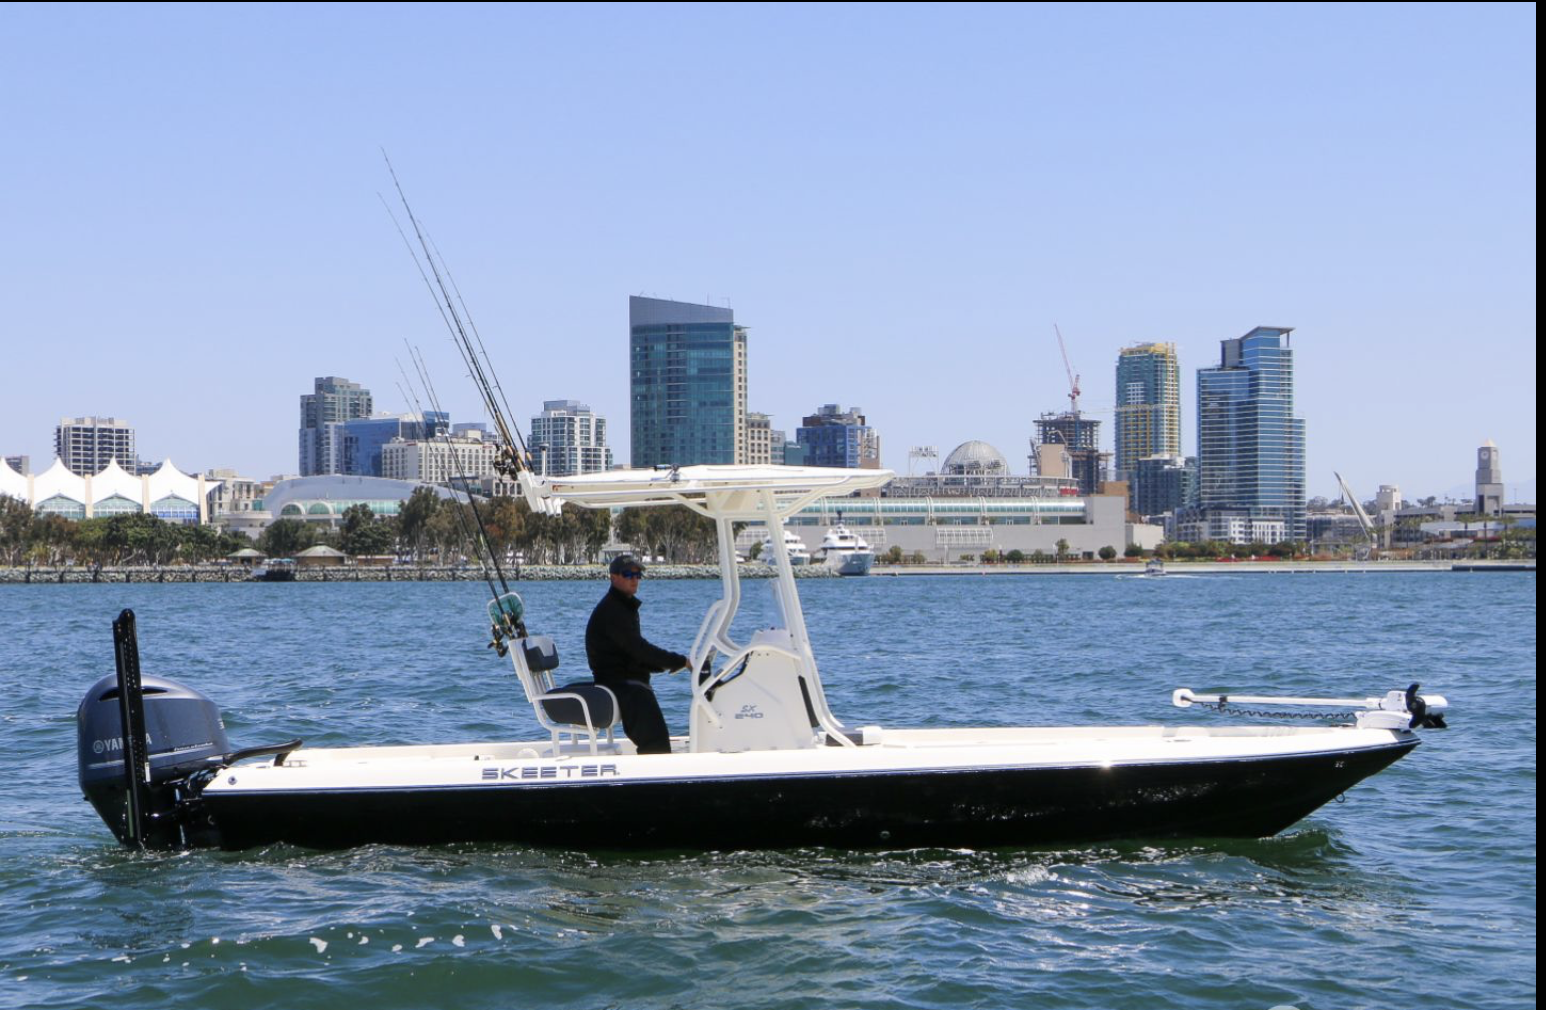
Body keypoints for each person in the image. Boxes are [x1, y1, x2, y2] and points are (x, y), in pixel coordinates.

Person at [584, 555, 689, 755]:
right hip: (619, 684)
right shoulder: (613, 611)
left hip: (627, 681)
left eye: (637, 574)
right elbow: (638, 649)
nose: (634, 579)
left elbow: (634, 653)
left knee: (656, 735)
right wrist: (678, 661)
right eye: (628, 574)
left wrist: (669, 664)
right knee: (656, 741)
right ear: (613, 578)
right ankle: (653, 781)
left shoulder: (623, 606)